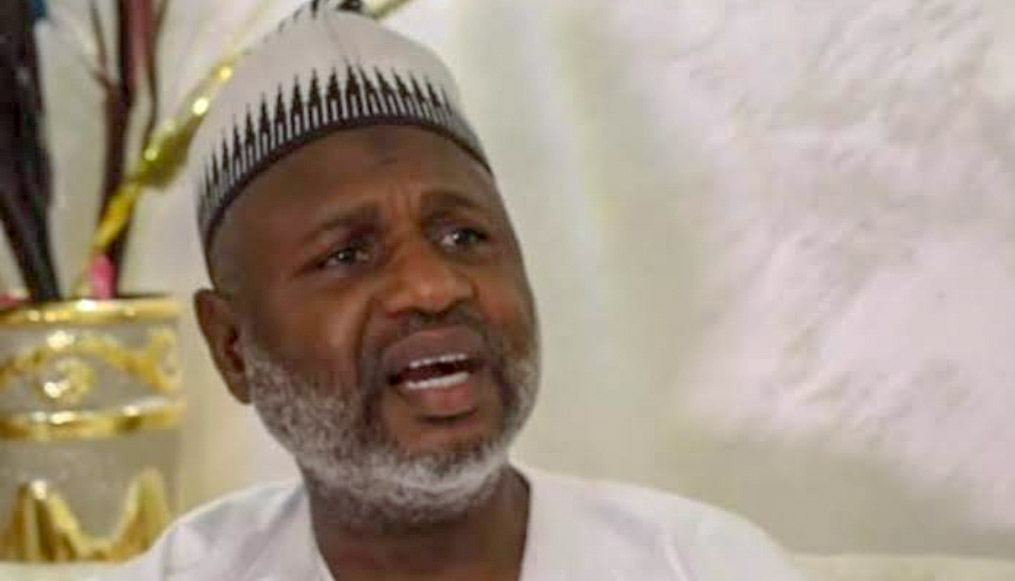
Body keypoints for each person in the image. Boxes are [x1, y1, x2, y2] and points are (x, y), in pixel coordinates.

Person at [97, 1, 806, 579]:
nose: (432, 285)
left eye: (464, 236)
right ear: (232, 347)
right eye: (347, 254)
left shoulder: (703, 565)